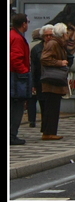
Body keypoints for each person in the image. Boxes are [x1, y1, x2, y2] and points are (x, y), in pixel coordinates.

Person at [40, 23, 70, 140]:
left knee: (53, 107)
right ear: (62, 34)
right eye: (66, 32)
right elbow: (45, 58)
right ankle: (48, 132)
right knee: (51, 107)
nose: (68, 35)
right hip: (51, 80)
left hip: (55, 81)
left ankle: (50, 131)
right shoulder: (53, 43)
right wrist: (59, 63)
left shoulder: (59, 44)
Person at [10, 13, 32, 146]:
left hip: (13, 75)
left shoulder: (11, 35)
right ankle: (12, 135)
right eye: (27, 22)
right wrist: (24, 71)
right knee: (17, 107)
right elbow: (15, 58)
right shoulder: (17, 38)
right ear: (23, 24)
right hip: (17, 78)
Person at [26, 28, 42, 127]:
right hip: (40, 75)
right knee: (42, 99)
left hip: (29, 75)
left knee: (31, 100)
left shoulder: (28, 46)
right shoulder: (41, 47)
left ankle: (31, 120)